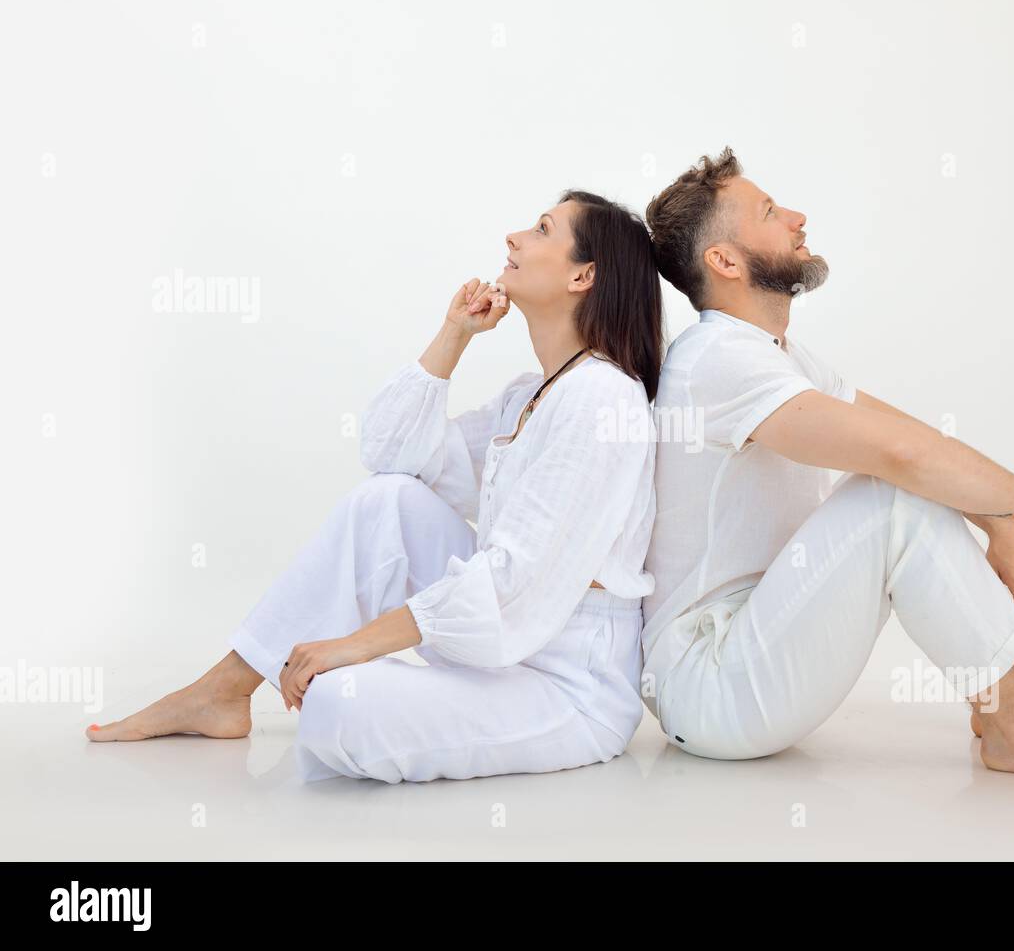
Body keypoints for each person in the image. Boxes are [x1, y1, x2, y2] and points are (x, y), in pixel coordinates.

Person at [86, 190, 664, 785]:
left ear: (584, 275)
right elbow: (393, 456)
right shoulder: (531, 393)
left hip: (566, 688)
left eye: (542, 229)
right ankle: (226, 690)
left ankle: (357, 691)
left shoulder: (601, 400)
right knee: (386, 503)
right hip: (508, 642)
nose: (514, 238)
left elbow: (513, 583)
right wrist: (455, 334)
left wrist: (352, 646)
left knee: (340, 703)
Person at [639, 147, 1014, 786]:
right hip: (709, 684)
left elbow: (905, 437)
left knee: (902, 485)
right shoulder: (717, 358)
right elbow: (901, 459)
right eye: (771, 211)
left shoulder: (779, 356)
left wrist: (1001, 519)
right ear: (723, 261)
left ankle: (1007, 706)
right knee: (893, 495)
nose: (798, 217)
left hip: (754, 642)